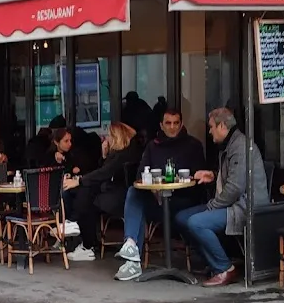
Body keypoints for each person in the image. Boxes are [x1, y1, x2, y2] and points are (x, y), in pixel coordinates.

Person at [175, 107, 269, 287]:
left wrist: (212, 206)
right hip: (232, 203)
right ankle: (212, 262)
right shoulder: (231, 144)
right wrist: (213, 174)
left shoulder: (240, 146)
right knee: (181, 218)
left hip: (244, 207)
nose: (209, 131)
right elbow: (233, 177)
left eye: (211, 127)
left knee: (196, 222)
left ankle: (224, 268)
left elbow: (235, 188)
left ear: (222, 126)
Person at [113, 107, 206, 281]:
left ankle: (133, 258)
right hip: (158, 201)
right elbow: (140, 175)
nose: (172, 127)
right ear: (161, 125)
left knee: (137, 201)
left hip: (184, 201)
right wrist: (154, 188)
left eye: (176, 123)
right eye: (168, 123)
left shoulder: (193, 145)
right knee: (134, 193)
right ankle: (131, 248)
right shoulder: (153, 146)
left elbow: (201, 178)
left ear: (181, 124)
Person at [62, 122, 142, 261]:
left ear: (117, 137)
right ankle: (82, 236)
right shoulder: (124, 152)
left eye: (110, 136)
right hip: (113, 192)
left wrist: (80, 181)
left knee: (86, 196)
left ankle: (86, 242)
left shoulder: (123, 154)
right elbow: (103, 171)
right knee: (84, 192)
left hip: (121, 196)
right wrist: (104, 155)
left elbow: (104, 172)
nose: (107, 139)